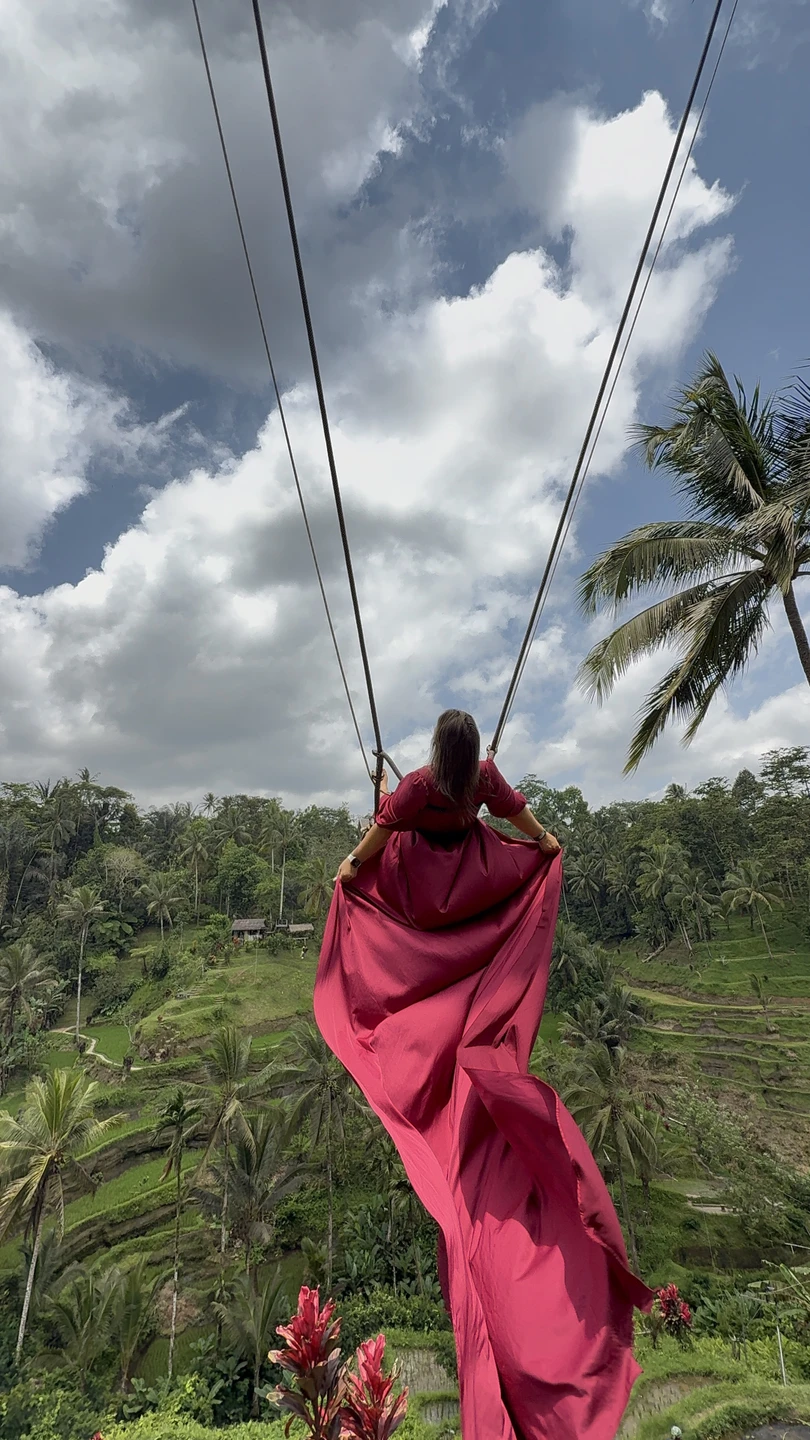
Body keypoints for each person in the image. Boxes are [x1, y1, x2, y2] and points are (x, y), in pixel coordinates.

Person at [315, 710, 651, 1440]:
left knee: (396, 889)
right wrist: (548, 845)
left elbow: (377, 836)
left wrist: (348, 868)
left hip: (423, 893)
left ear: (440, 750)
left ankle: (421, 1003)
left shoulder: (417, 787)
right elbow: (525, 822)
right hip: (472, 885)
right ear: (473, 755)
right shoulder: (483, 780)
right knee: (473, 962)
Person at [334, 709, 561, 885]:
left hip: (423, 858)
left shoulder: (419, 783)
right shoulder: (484, 773)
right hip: (471, 860)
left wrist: (354, 860)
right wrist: (541, 836)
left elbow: (386, 823)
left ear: (438, 746)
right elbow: (513, 808)